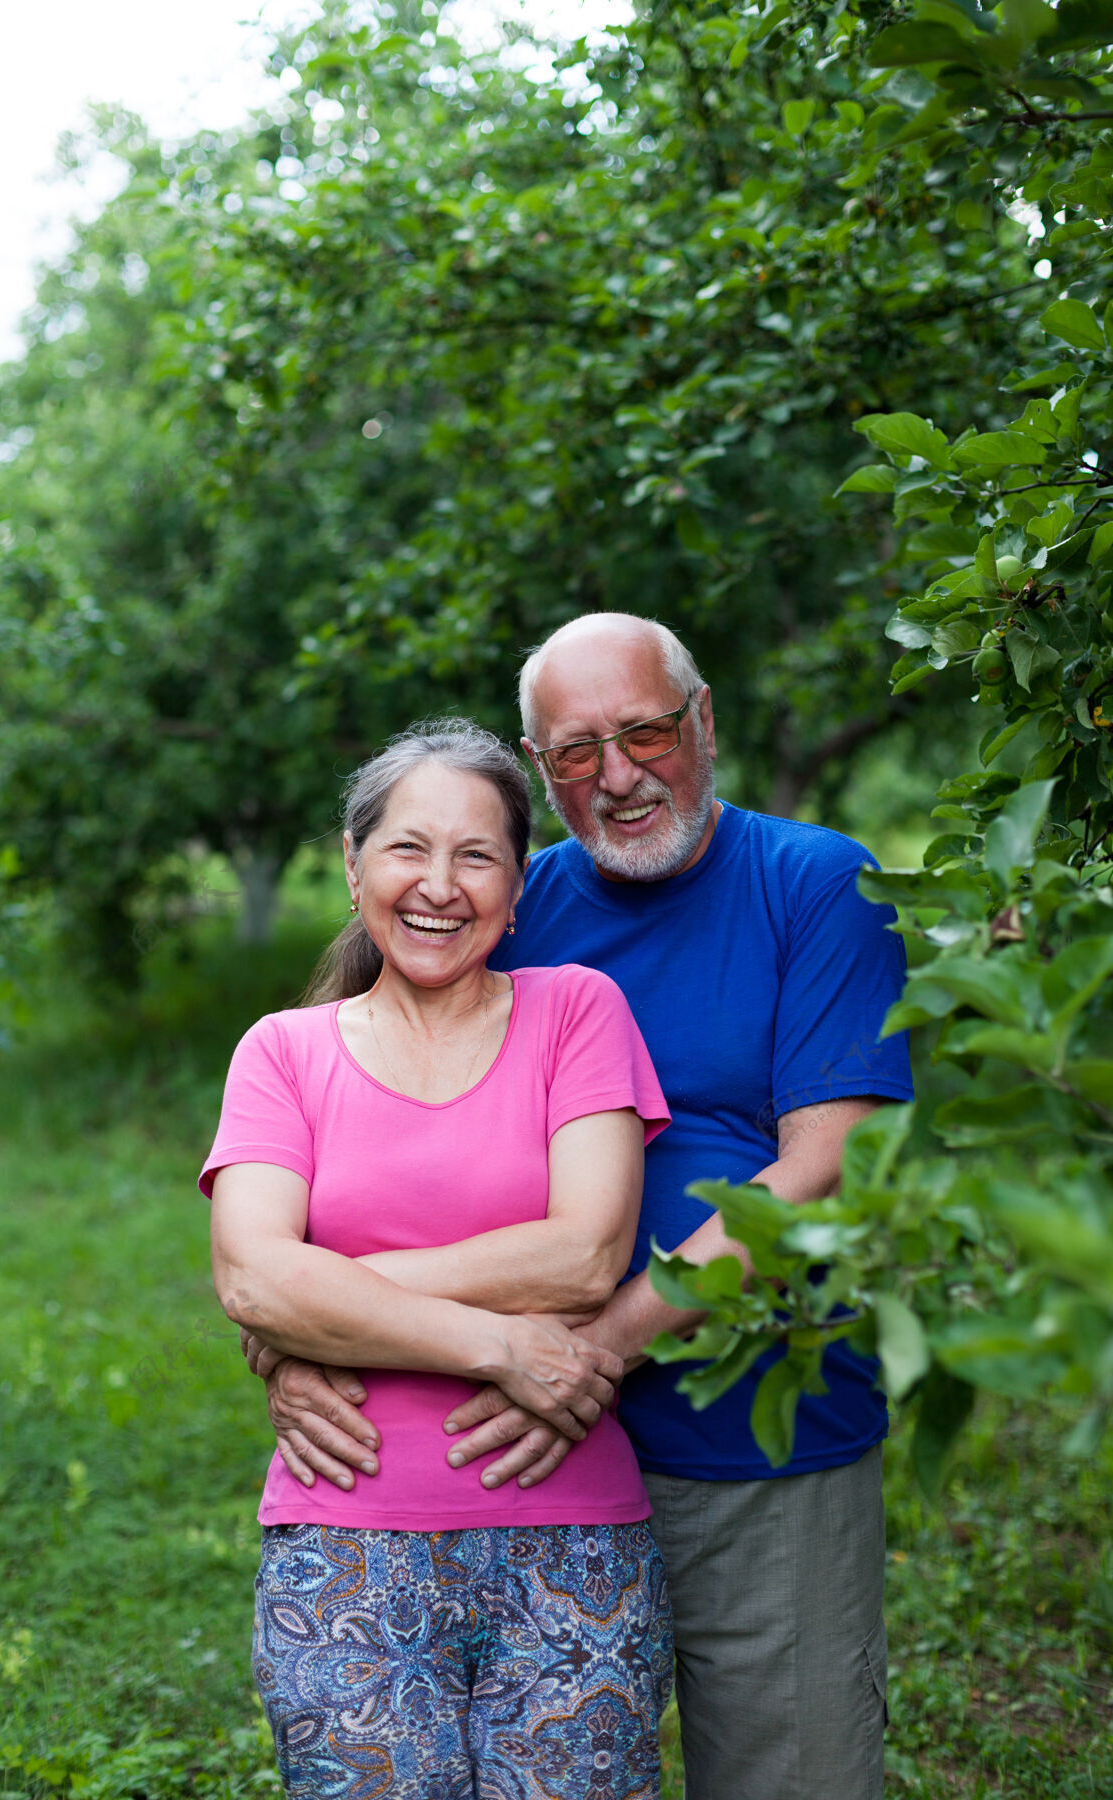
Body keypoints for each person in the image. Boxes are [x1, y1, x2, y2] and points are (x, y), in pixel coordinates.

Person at [252, 617, 915, 1800]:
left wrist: (593, 1345)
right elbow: (341, 1129)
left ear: (703, 722)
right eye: (573, 753)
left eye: (647, 732)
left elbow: (827, 1165)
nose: (617, 776)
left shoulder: (811, 884)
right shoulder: (513, 894)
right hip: (507, 1453)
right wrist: (287, 1330)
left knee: (786, 1771)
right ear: (536, 765)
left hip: (749, 1440)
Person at [202, 719, 674, 1799]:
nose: (439, 885)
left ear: (518, 890)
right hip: (343, 1546)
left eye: (478, 857)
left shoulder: (577, 1013)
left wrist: (319, 1295)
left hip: (574, 1544)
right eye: (409, 847)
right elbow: (253, 1279)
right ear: (354, 862)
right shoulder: (283, 1052)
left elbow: (585, 1254)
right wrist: (501, 1346)